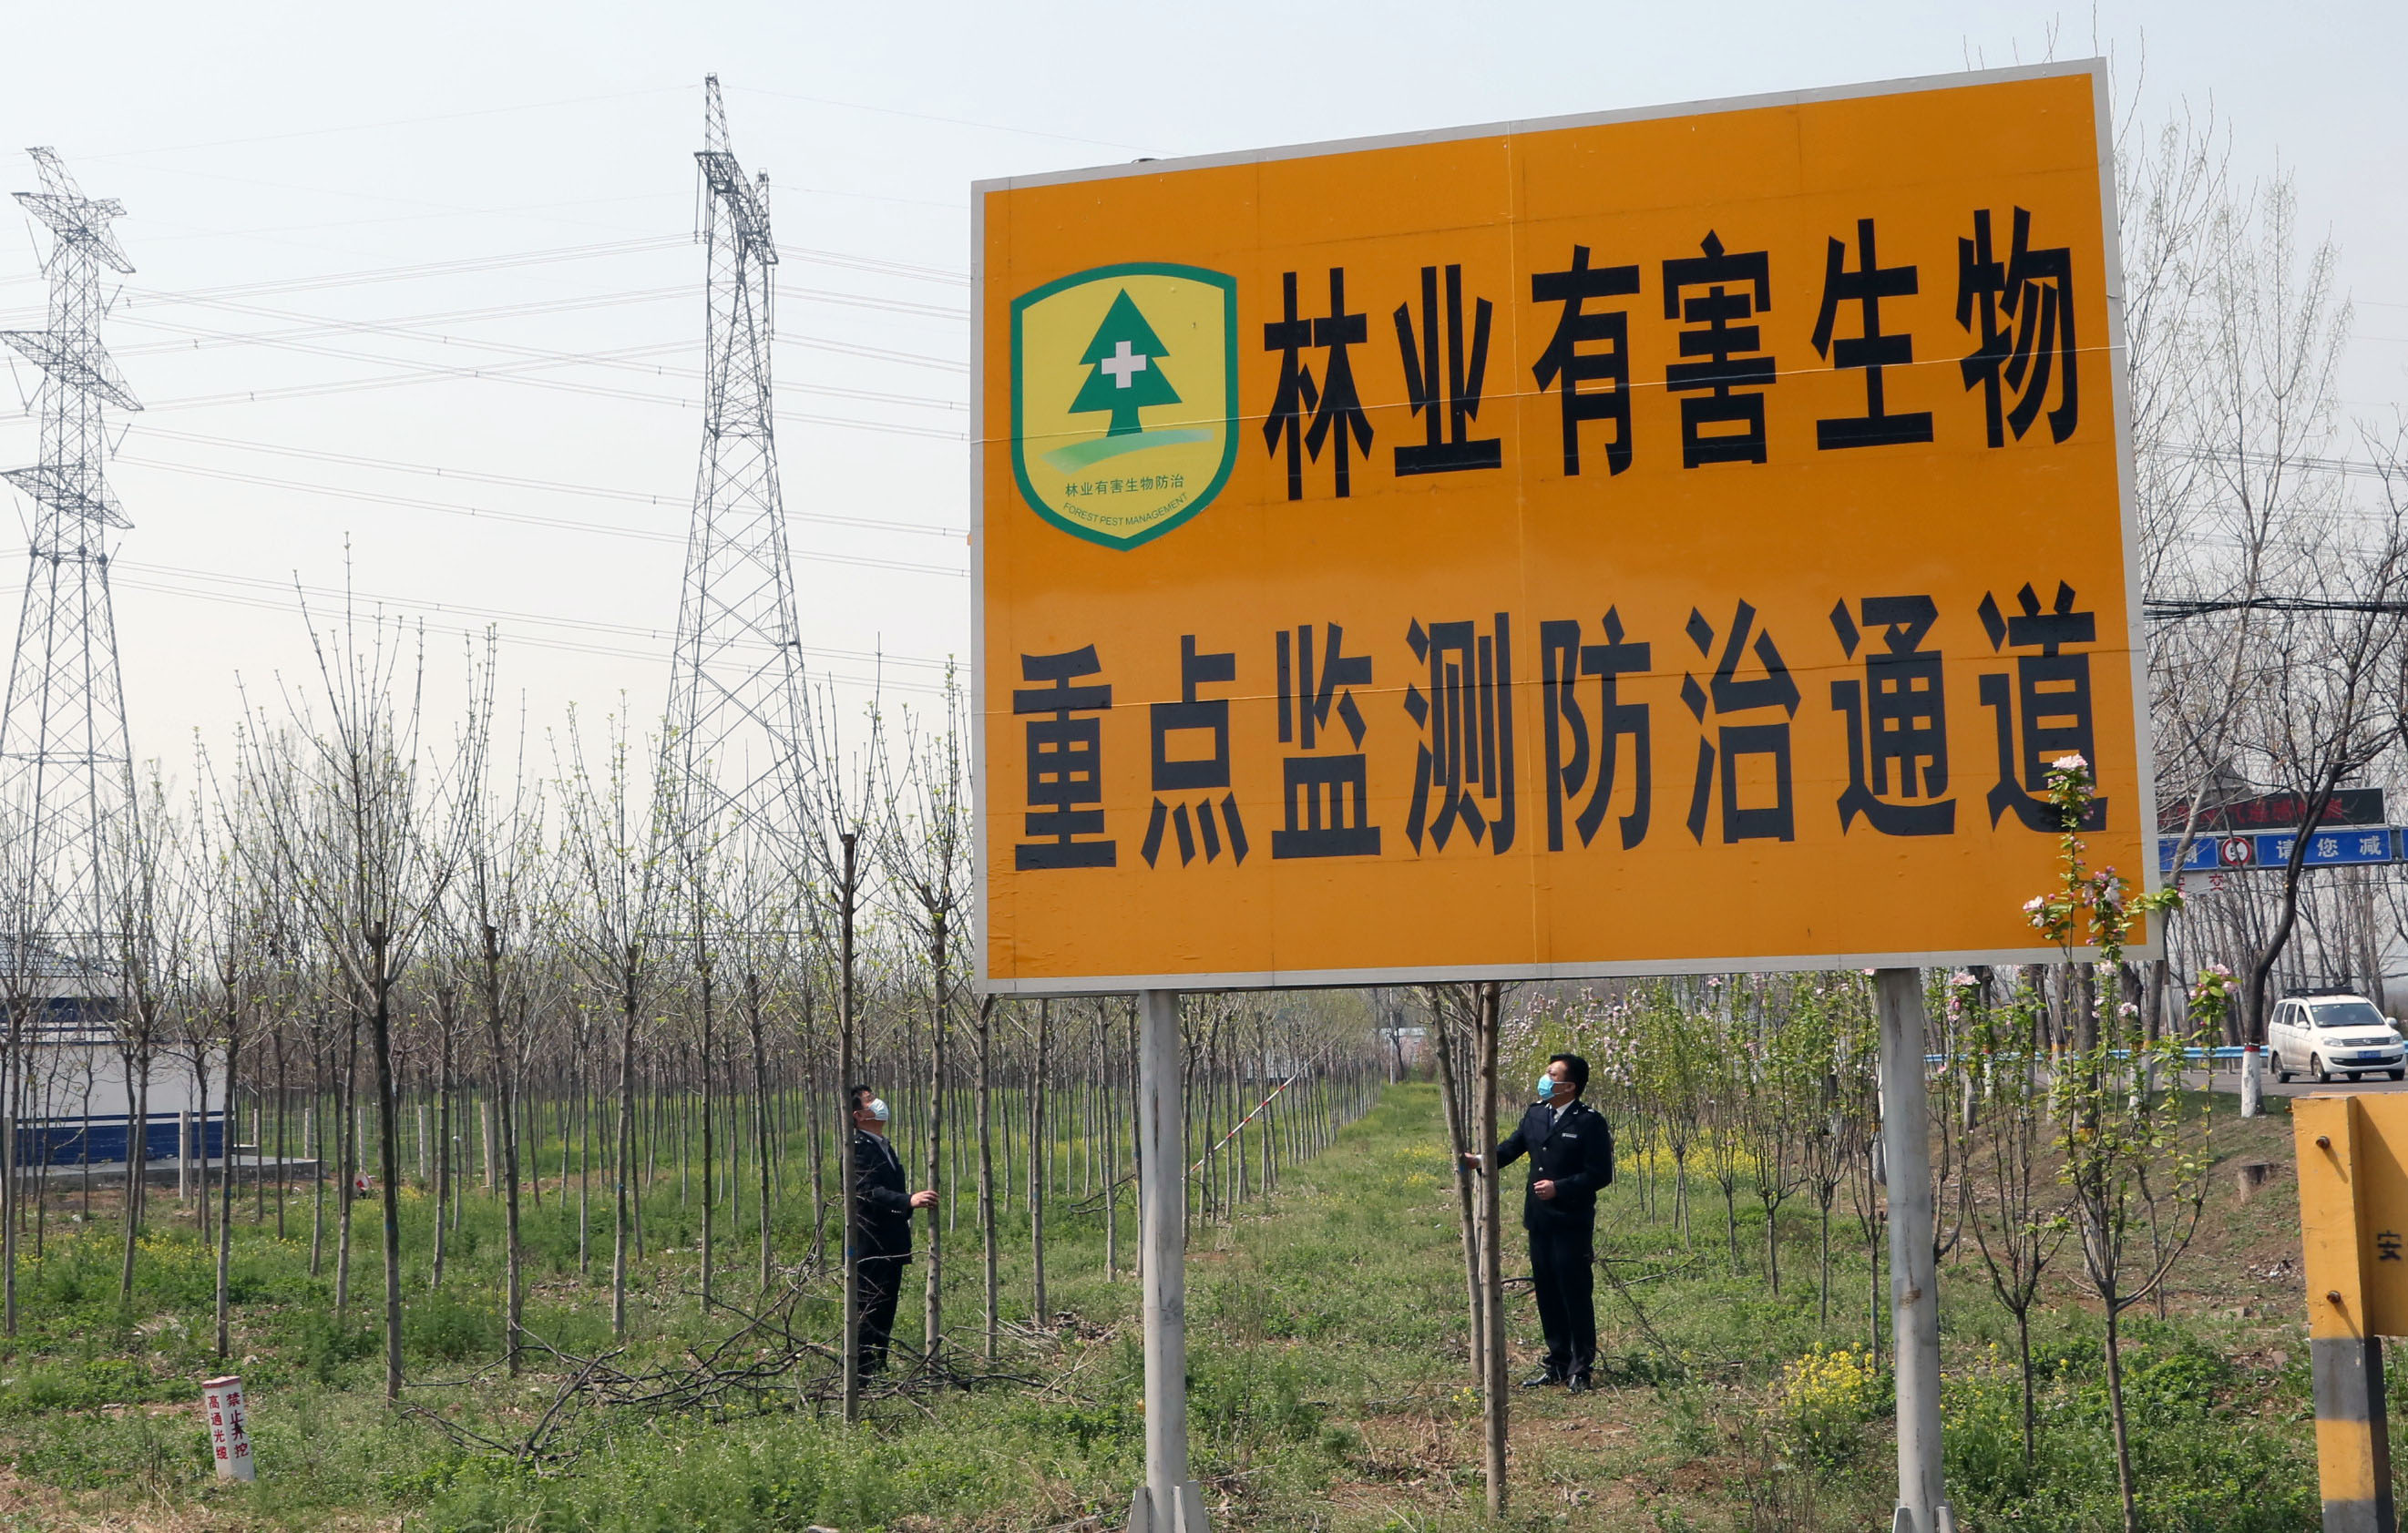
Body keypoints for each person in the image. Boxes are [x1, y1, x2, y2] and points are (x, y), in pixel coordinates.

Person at [1464, 1053, 1614, 1391]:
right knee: (1547, 1292)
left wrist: (1560, 1188)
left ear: (1570, 1085)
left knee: (1574, 1292)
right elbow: (1510, 1149)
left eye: (1552, 1074)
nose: (1545, 1079)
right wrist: (1478, 1160)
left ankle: (1580, 1368)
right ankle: (1557, 1362)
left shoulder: (1588, 1122)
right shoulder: (1535, 1114)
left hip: (1571, 1221)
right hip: (1540, 1220)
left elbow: (1600, 1174)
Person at [847, 1084, 937, 1378]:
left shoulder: (882, 1144)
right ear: (858, 1115)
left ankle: (878, 1367)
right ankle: (860, 1376)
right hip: (871, 1245)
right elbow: (866, 1191)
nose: (879, 1103)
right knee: (868, 1311)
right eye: (871, 1100)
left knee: (886, 1311)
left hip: (891, 1243)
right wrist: (907, 1200)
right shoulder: (857, 1148)